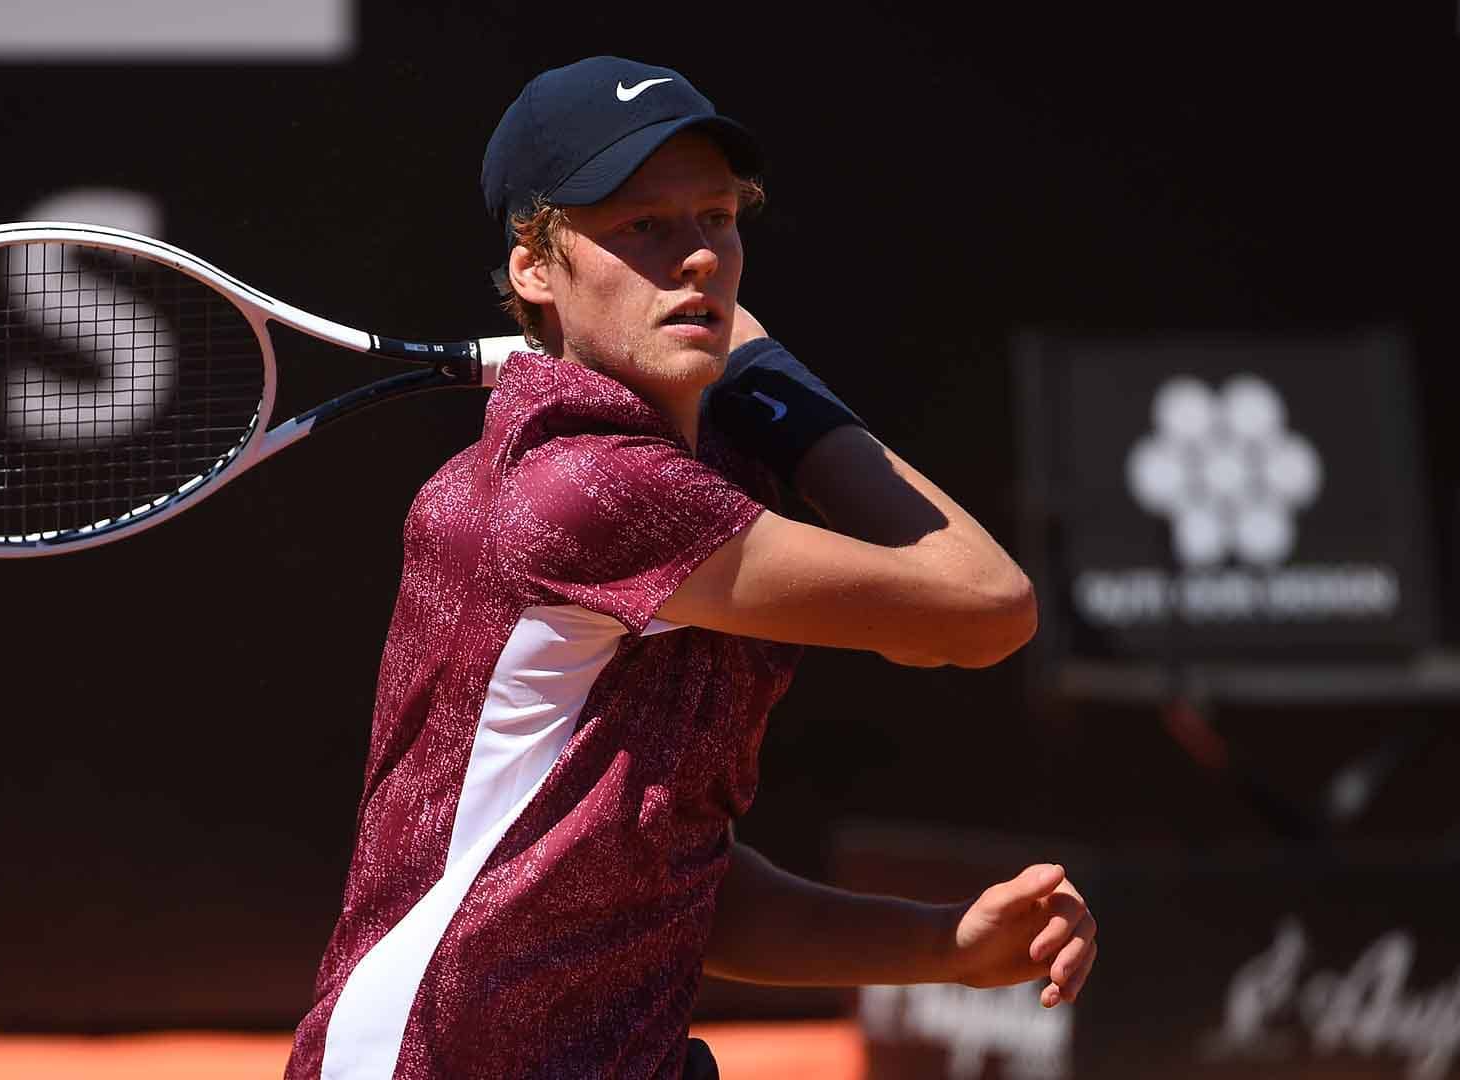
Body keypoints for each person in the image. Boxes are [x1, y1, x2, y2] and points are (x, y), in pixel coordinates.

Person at [285, 56, 1097, 1080]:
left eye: (716, 217)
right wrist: (774, 383)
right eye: (643, 227)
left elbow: (659, 879)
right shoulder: (586, 491)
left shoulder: (681, 480)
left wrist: (943, 947)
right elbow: (984, 609)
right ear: (535, 269)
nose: (700, 256)